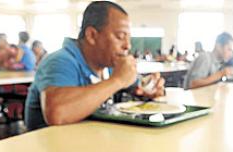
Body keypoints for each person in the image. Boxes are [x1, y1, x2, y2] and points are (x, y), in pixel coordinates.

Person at [24, 1, 165, 130]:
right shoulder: (59, 61)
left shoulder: (108, 65)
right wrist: (117, 81)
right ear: (91, 35)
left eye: (129, 38)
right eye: (120, 36)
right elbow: (57, 113)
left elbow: (136, 84)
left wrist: (149, 88)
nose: (127, 45)